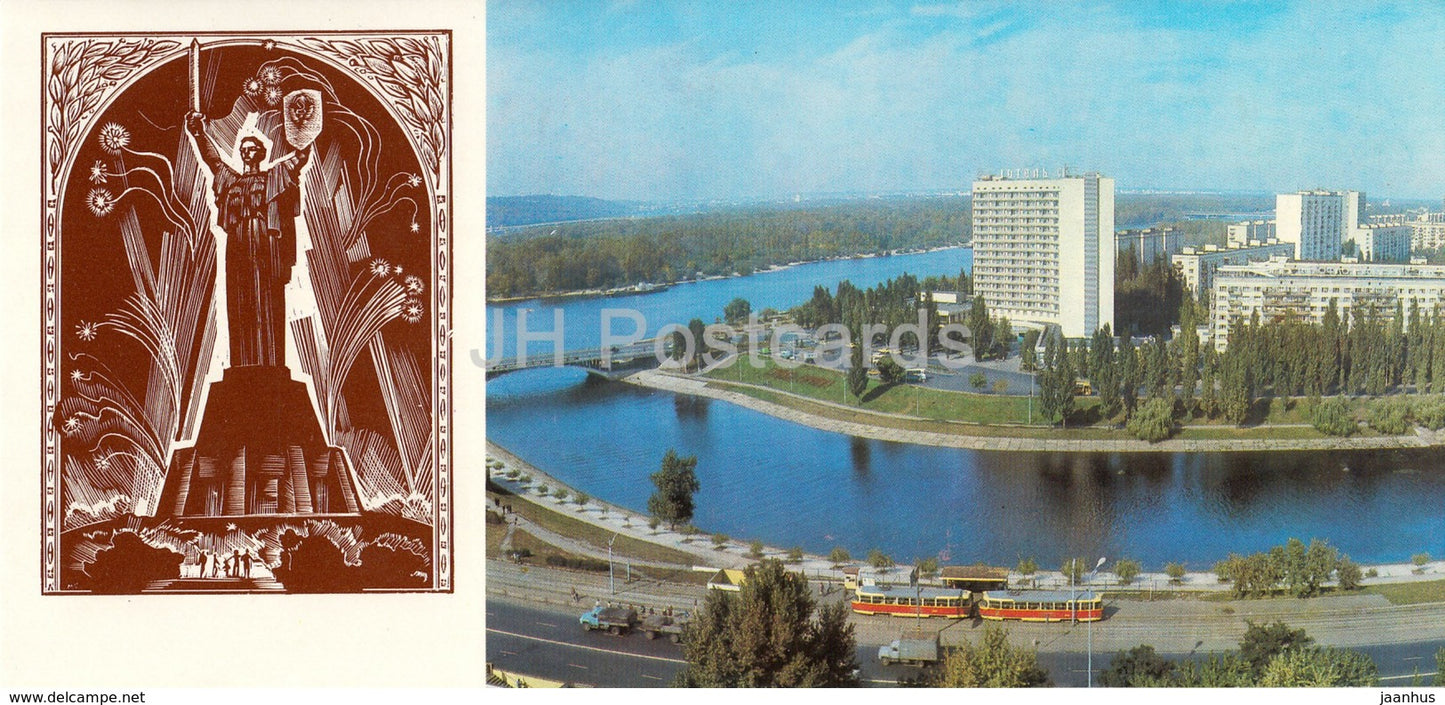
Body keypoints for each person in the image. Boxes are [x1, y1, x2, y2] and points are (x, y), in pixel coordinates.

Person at [184, 111, 311, 368]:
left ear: (262, 153)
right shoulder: (232, 181)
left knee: (267, 295)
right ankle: (242, 363)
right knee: (239, 297)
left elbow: (300, 157)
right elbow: (213, 161)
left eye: (252, 148)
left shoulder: (274, 176)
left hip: (265, 242)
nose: (247, 153)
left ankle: (271, 362)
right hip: (239, 244)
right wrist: (198, 133)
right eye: (244, 149)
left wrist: (305, 127)